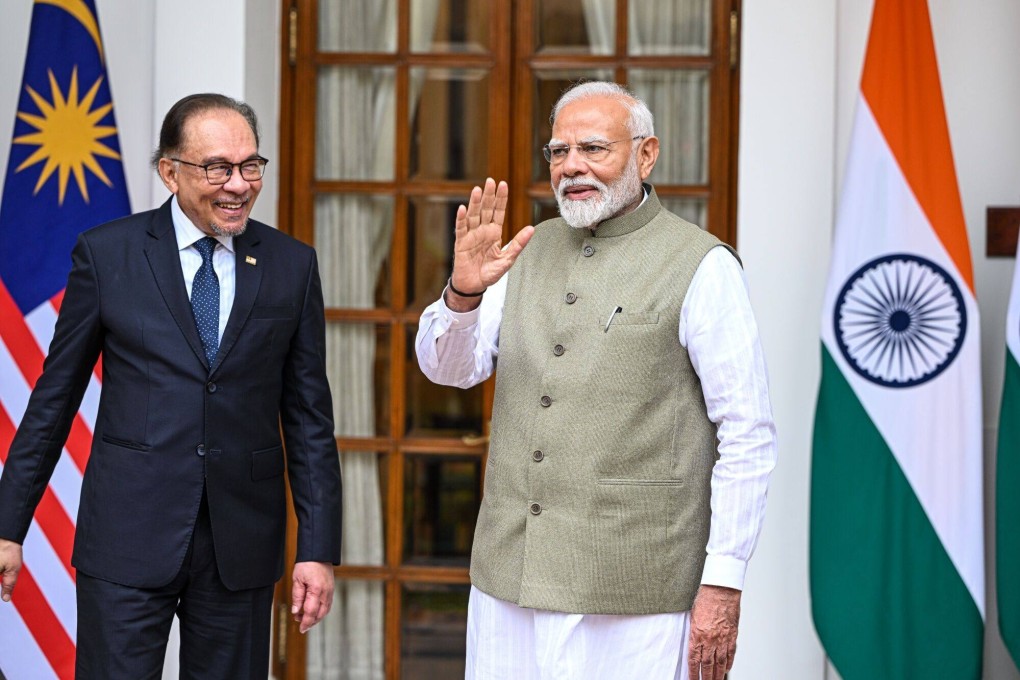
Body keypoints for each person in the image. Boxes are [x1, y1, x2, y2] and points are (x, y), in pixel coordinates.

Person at [415, 81, 777, 680]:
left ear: (646, 154)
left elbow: (748, 433)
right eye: (558, 152)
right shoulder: (525, 250)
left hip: (637, 592)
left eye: (593, 148)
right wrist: (465, 291)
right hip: (512, 582)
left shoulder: (702, 265)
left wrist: (723, 580)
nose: (572, 167)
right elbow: (451, 370)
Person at [0, 93, 342, 679]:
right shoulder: (108, 255)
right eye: (217, 168)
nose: (238, 185)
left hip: (240, 545)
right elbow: (53, 402)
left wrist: (317, 547)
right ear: (170, 171)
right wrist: (8, 527)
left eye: (250, 166)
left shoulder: (292, 265)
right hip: (128, 536)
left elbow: (309, 419)